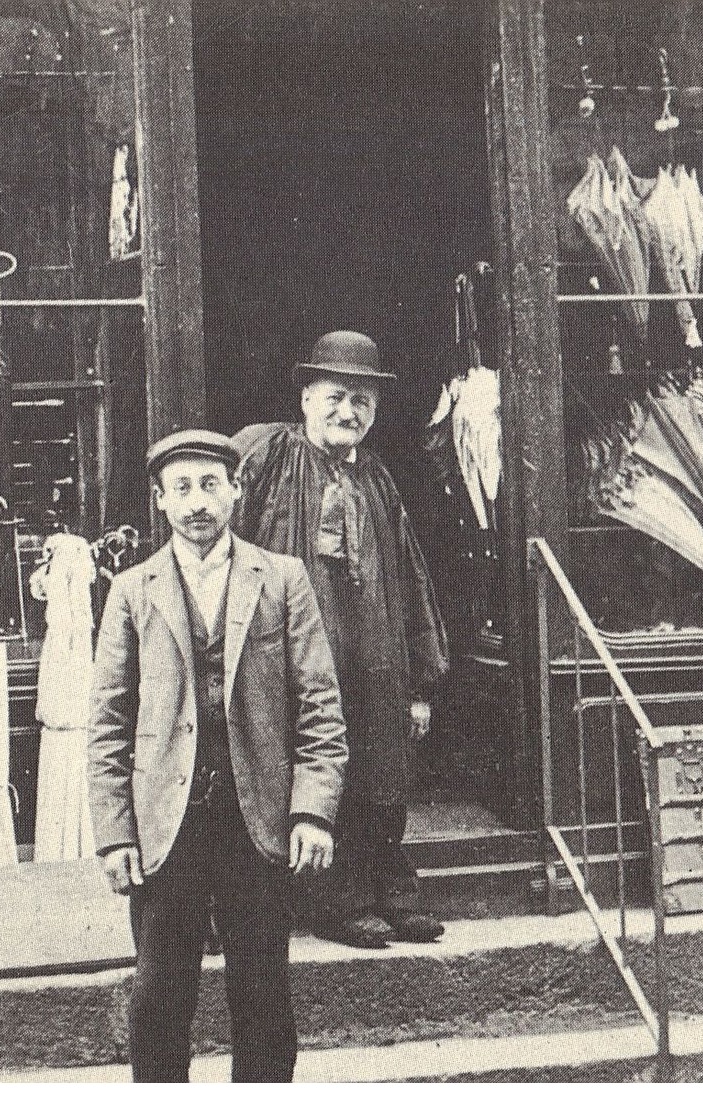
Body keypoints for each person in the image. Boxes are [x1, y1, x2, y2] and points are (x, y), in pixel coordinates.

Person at [88, 429, 348, 1082]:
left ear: (235, 490)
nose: (198, 502)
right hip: (164, 826)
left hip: (253, 821)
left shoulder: (281, 581)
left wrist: (311, 813)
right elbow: (107, 726)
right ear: (160, 501)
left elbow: (319, 707)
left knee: (262, 996)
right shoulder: (132, 590)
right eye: (182, 489)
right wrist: (115, 834)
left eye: (210, 484)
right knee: (157, 999)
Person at [232, 330, 451, 950]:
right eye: (334, 397)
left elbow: (410, 579)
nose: (347, 412)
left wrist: (419, 680)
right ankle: (332, 897)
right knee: (313, 762)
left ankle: (386, 885)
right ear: (305, 397)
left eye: (361, 401)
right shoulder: (266, 456)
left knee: (381, 762)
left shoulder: (377, 480)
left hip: (372, 656)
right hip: (292, 656)